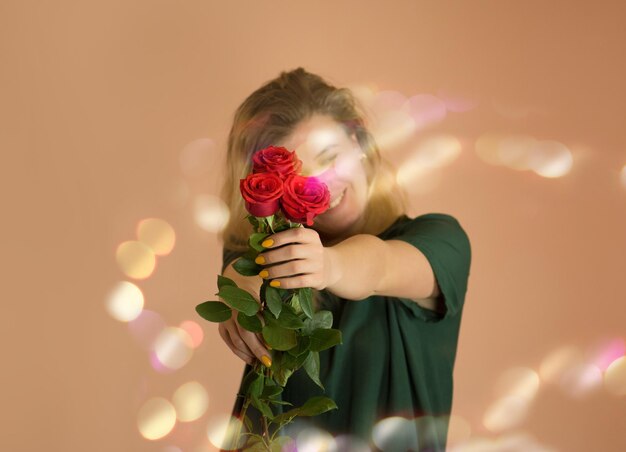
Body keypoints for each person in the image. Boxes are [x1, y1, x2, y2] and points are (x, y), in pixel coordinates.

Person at [216, 67, 472, 451]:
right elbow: (241, 272)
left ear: (358, 143)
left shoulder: (440, 241)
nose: (321, 184)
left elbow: (378, 264)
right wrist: (242, 292)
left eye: (330, 156)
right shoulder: (266, 251)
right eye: (297, 175)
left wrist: (328, 266)